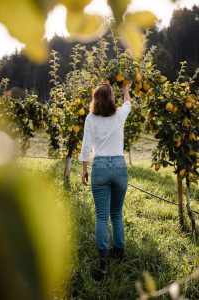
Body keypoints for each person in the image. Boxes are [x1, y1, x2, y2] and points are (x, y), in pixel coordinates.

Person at [79, 82, 132, 281]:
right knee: (117, 214)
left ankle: (104, 260)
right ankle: (120, 253)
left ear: (95, 99)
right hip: (119, 167)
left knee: (102, 217)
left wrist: (84, 169)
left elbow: (85, 145)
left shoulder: (90, 118)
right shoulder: (119, 115)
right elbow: (128, 103)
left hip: (99, 167)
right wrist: (125, 88)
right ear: (111, 99)